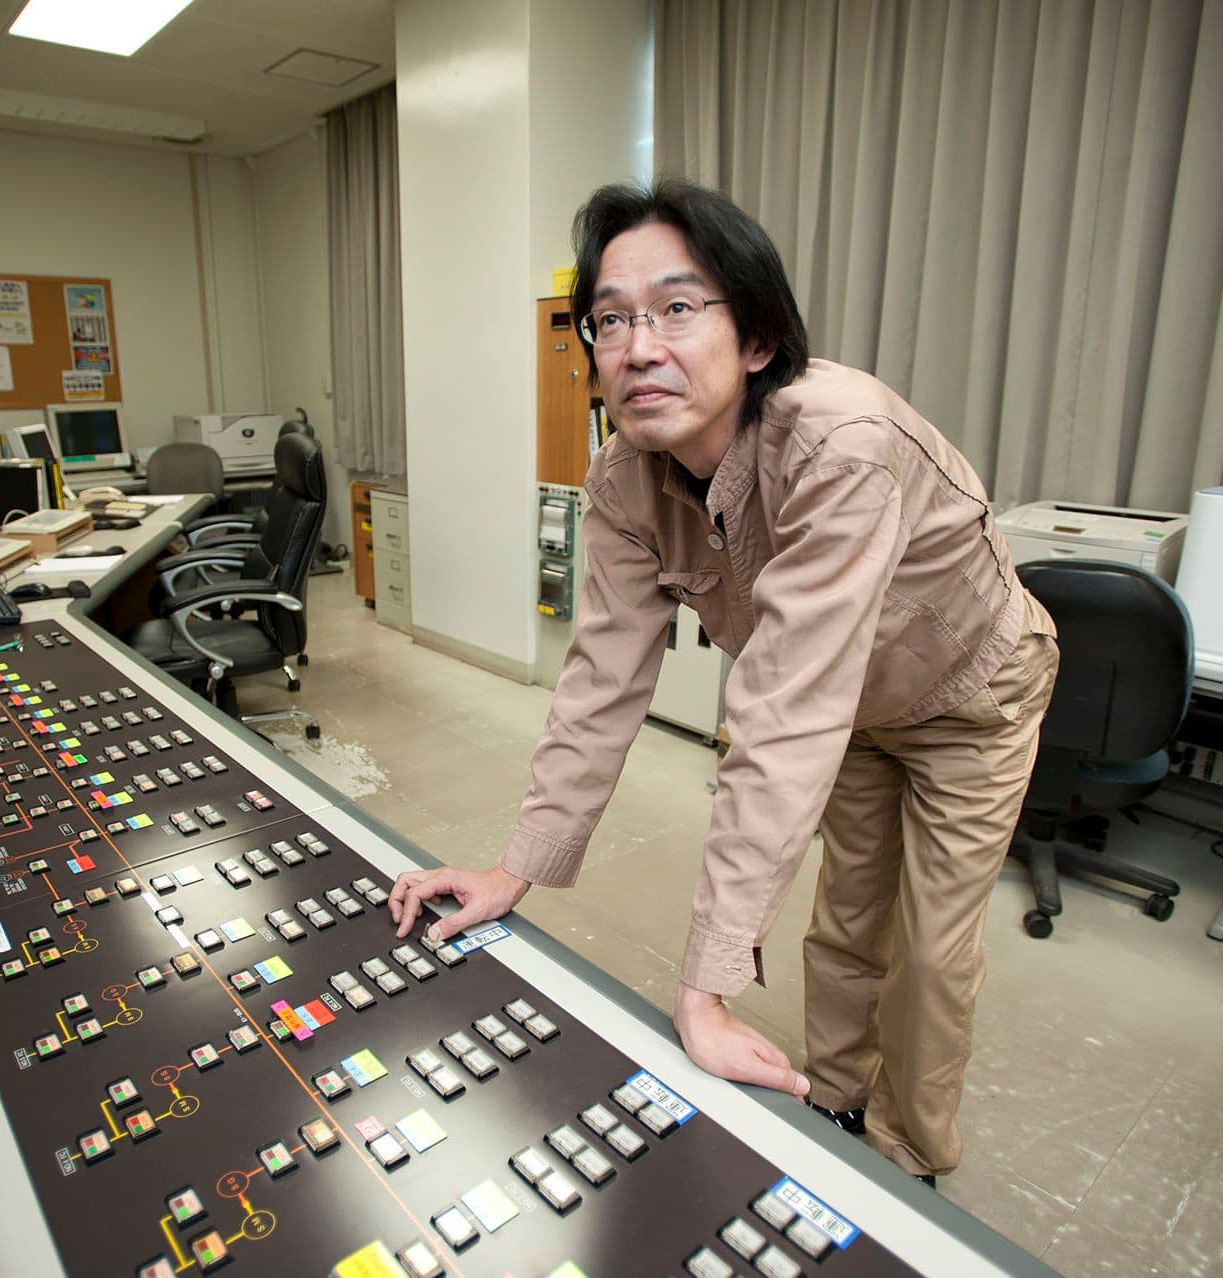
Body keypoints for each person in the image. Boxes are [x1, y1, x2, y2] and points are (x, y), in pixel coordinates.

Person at [388, 178, 1058, 1182]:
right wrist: (510, 868)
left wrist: (701, 988)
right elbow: (599, 686)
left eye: (677, 308)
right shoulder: (623, 480)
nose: (639, 345)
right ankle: (834, 1105)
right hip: (858, 713)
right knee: (846, 919)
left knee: (926, 949)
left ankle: (910, 1159)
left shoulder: (841, 444)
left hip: (972, 695)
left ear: (755, 339)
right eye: (610, 320)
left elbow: (784, 721)